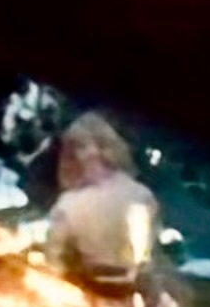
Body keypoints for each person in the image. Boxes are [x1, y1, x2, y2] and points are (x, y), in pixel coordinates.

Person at [40, 111, 161, 287]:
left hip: (85, 288)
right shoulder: (143, 195)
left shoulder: (69, 204)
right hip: (132, 288)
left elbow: (53, 261)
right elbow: (145, 258)